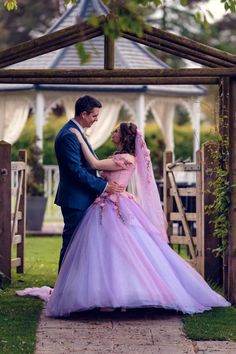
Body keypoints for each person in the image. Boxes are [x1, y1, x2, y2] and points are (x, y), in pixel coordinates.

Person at [45, 122, 230, 317]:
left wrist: (80, 138)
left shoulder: (126, 158)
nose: (112, 132)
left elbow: (94, 164)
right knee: (108, 251)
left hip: (113, 206)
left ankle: (122, 295)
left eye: (116, 131)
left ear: (124, 136)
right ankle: (108, 294)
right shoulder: (119, 157)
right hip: (104, 204)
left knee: (121, 250)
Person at [54, 95, 124, 271]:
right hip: (75, 199)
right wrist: (104, 186)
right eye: (94, 116)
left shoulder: (75, 132)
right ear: (84, 114)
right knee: (72, 244)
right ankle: (64, 287)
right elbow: (75, 170)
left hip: (82, 197)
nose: (96, 120)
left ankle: (74, 285)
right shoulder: (68, 135)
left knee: (82, 244)